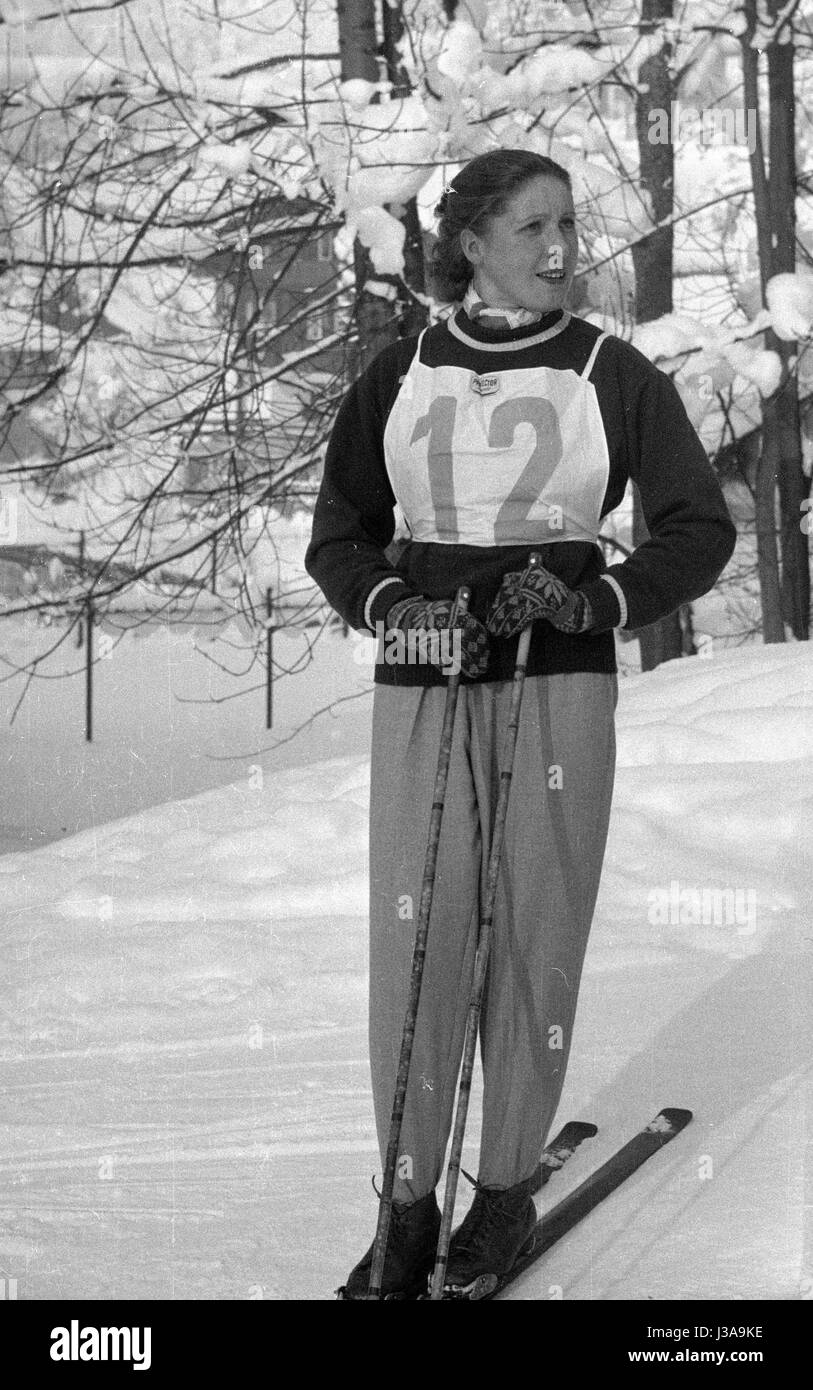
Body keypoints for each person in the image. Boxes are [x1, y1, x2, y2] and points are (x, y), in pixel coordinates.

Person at [305, 147, 736, 1300]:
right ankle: (405, 1205)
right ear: (475, 242)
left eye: (568, 226)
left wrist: (593, 598)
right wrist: (396, 602)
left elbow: (698, 529)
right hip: (425, 682)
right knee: (420, 938)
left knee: (537, 929)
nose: (561, 249)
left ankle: (501, 1193)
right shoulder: (400, 372)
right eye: (534, 227)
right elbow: (339, 534)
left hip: (559, 682)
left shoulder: (612, 370)